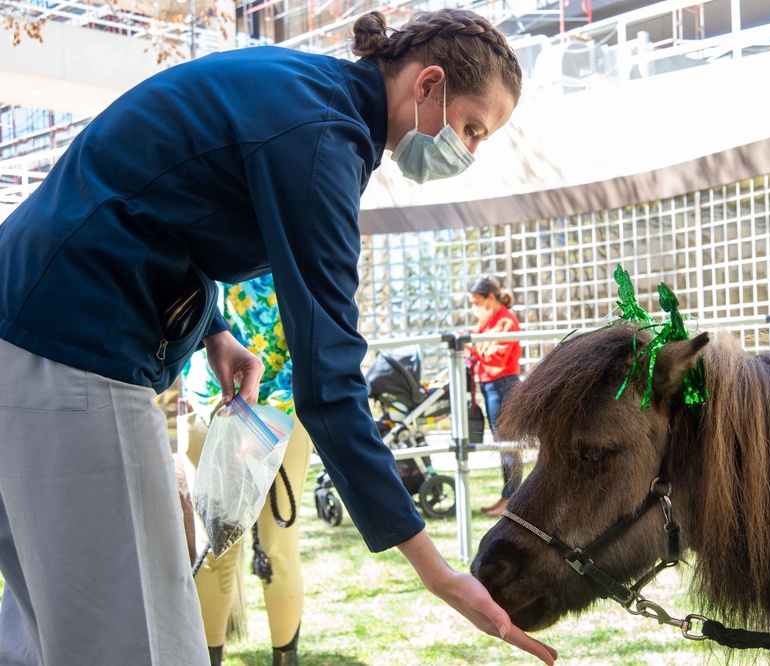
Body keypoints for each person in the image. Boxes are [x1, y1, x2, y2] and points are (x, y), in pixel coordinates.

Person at [0, 8, 557, 666]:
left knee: (45, 635)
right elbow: (330, 382)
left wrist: (214, 331)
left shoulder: (302, 91)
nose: (467, 150)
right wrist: (437, 571)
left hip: (30, 335)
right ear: (428, 84)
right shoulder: (324, 137)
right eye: (471, 129)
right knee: (138, 642)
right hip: (74, 350)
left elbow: (154, 202)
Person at [180, 276, 309, 666]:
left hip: (213, 400)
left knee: (218, 548)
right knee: (276, 547)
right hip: (271, 409)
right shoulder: (299, 229)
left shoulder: (195, 223)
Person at [467, 278, 524, 517]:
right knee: (502, 443)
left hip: (503, 386)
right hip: (491, 387)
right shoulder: (490, 320)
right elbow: (479, 342)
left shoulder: (506, 321)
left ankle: (512, 499)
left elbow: (496, 356)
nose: (474, 307)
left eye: (476, 302)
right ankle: (506, 496)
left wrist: (474, 347)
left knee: (508, 444)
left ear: (490, 298)